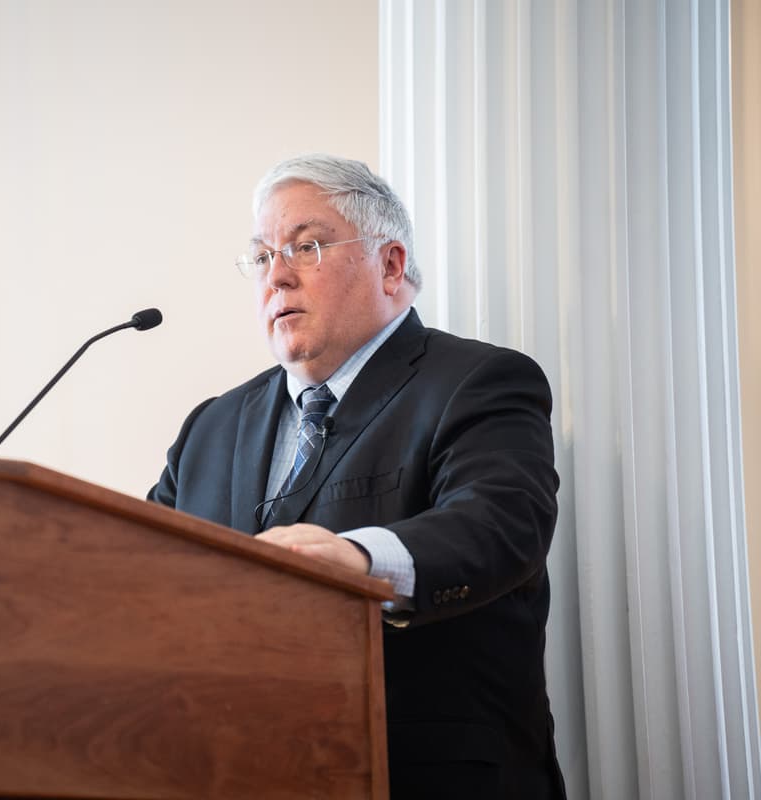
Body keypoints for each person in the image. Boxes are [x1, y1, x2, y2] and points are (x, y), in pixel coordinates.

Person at [148, 154, 566, 799]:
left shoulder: (475, 382)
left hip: (422, 773)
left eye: (306, 246)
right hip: (233, 772)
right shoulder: (212, 426)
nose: (277, 277)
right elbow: (144, 571)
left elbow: (500, 524)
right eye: (261, 257)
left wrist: (359, 560)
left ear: (390, 265)